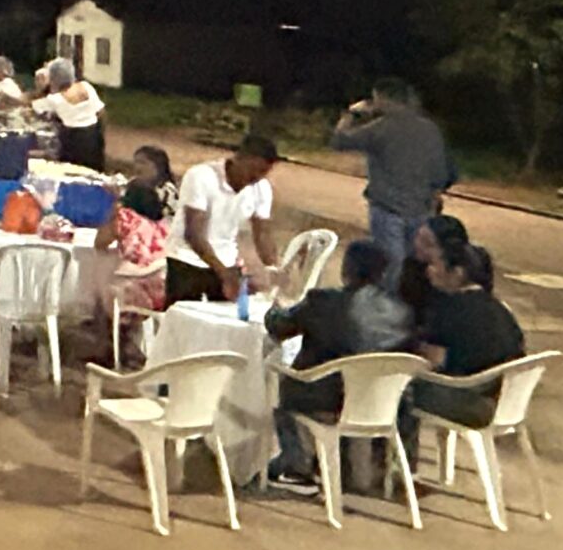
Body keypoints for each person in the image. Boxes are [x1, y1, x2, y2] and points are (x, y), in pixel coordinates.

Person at [263, 242, 412, 493]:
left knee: (283, 387)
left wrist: (276, 306)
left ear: (346, 270)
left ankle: (296, 466)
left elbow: (278, 326)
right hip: (378, 403)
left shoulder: (323, 302)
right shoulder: (402, 312)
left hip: (321, 398)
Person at [334, 77, 458, 289]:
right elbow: (445, 172)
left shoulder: (381, 128)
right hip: (421, 209)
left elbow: (339, 141)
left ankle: (387, 305)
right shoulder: (430, 129)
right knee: (416, 267)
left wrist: (351, 114)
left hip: (387, 208)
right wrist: (434, 195)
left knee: (390, 267)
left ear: (383, 99)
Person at [407, 241, 525, 441]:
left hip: (470, 403)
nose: (429, 270)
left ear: (457, 273)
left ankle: (401, 458)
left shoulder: (449, 309)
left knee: (398, 390)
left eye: (435, 264)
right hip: (507, 402)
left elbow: (433, 360)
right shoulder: (501, 309)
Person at [169, 135, 283, 305]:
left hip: (227, 262)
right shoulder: (201, 176)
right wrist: (224, 274)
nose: (256, 177)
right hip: (186, 260)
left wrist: (273, 270)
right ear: (239, 159)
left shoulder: (261, 188)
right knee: (185, 313)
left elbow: (262, 233)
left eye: (263, 172)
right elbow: (194, 235)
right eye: (253, 169)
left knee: (233, 312)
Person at [96, 146, 176, 315]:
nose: (137, 167)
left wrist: (116, 205)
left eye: (143, 162)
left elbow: (100, 244)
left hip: (134, 287)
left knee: (105, 280)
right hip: (167, 283)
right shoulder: (165, 227)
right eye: (136, 162)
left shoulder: (127, 220)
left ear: (157, 166)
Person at [30, 58, 108, 172]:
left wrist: (41, 88)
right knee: (94, 170)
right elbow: (101, 111)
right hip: (93, 136)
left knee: (72, 171)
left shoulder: (55, 99)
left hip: (72, 140)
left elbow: (34, 106)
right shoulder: (86, 86)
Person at [399, 215, 472, 321]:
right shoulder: (411, 266)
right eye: (418, 237)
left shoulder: (458, 275)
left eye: (428, 244)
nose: (418, 245)